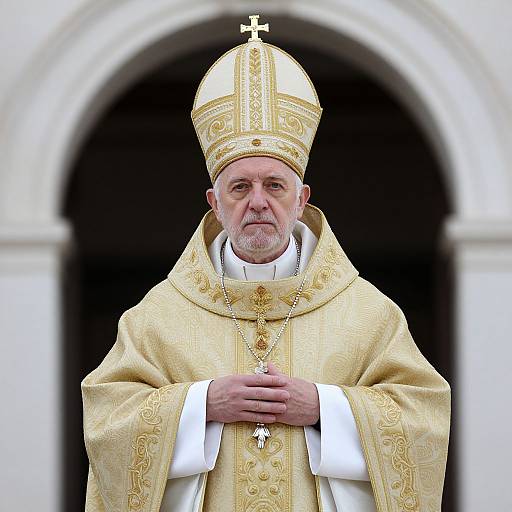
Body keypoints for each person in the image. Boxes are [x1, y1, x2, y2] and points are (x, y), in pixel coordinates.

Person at [82, 15, 450, 512]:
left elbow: (424, 420)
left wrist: (322, 407)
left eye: (275, 185)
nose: (258, 202)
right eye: (240, 187)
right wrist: (202, 405)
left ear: (302, 200)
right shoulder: (155, 319)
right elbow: (106, 420)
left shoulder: (369, 316)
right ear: (214, 202)